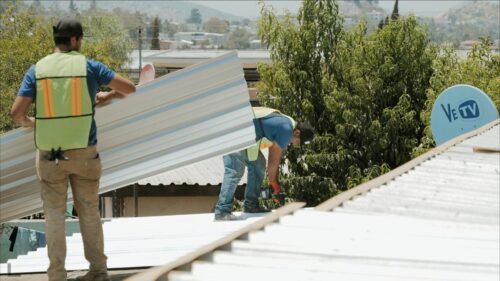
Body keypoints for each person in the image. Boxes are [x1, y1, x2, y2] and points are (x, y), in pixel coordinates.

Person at [10, 18, 136, 281]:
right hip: (84, 153)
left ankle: (57, 275)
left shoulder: (38, 70)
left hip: (49, 155)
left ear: (56, 40)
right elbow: (129, 88)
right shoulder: (89, 66)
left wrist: (36, 123)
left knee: (54, 216)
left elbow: (17, 114)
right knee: (89, 210)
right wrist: (106, 96)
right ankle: (98, 272)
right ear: (75, 40)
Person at [214, 107, 314, 221]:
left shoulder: (286, 122)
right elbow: (273, 161)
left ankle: (251, 205)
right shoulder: (286, 130)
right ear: (297, 132)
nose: (292, 144)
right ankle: (222, 212)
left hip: (245, 136)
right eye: (296, 142)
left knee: (258, 164)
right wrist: (275, 185)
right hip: (234, 133)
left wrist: (274, 183)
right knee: (235, 171)